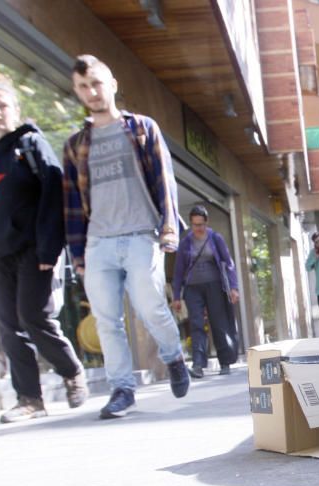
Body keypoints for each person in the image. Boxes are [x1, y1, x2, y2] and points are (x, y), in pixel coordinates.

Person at [62, 55, 189, 419]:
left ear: (112, 84)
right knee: (107, 321)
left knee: (151, 307)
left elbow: (165, 181)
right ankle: (122, 389)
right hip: (98, 242)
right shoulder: (75, 145)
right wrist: (78, 254)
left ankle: (173, 356)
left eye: (97, 83)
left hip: (140, 235)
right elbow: (70, 201)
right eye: (84, 87)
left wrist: (168, 230)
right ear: (77, 91)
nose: (92, 92)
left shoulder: (142, 128)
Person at [0, 73, 87, 423]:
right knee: (7, 326)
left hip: (33, 250)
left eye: (3, 105)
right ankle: (30, 399)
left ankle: (71, 370)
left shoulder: (30, 144)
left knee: (34, 317)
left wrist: (49, 249)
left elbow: (53, 195)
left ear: (15, 108)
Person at [171, 205, 240, 377]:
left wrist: (233, 287)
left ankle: (225, 362)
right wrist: (177, 296)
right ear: (191, 224)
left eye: (201, 224)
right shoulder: (186, 242)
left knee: (219, 323)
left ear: (206, 222)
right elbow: (178, 271)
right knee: (196, 324)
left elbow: (228, 263)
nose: (198, 228)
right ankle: (198, 365)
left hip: (215, 285)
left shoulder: (215, 238)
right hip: (193, 288)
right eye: (195, 225)